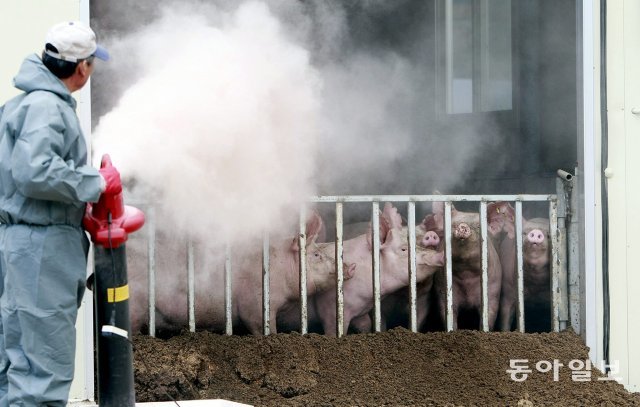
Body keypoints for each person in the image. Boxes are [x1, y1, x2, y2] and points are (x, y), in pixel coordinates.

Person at [0, 21, 122, 406]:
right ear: (82, 67)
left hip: (21, 243)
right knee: (43, 370)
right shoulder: (47, 107)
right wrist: (95, 182)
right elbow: (35, 171)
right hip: (42, 248)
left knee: (15, 362)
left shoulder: (21, 104)